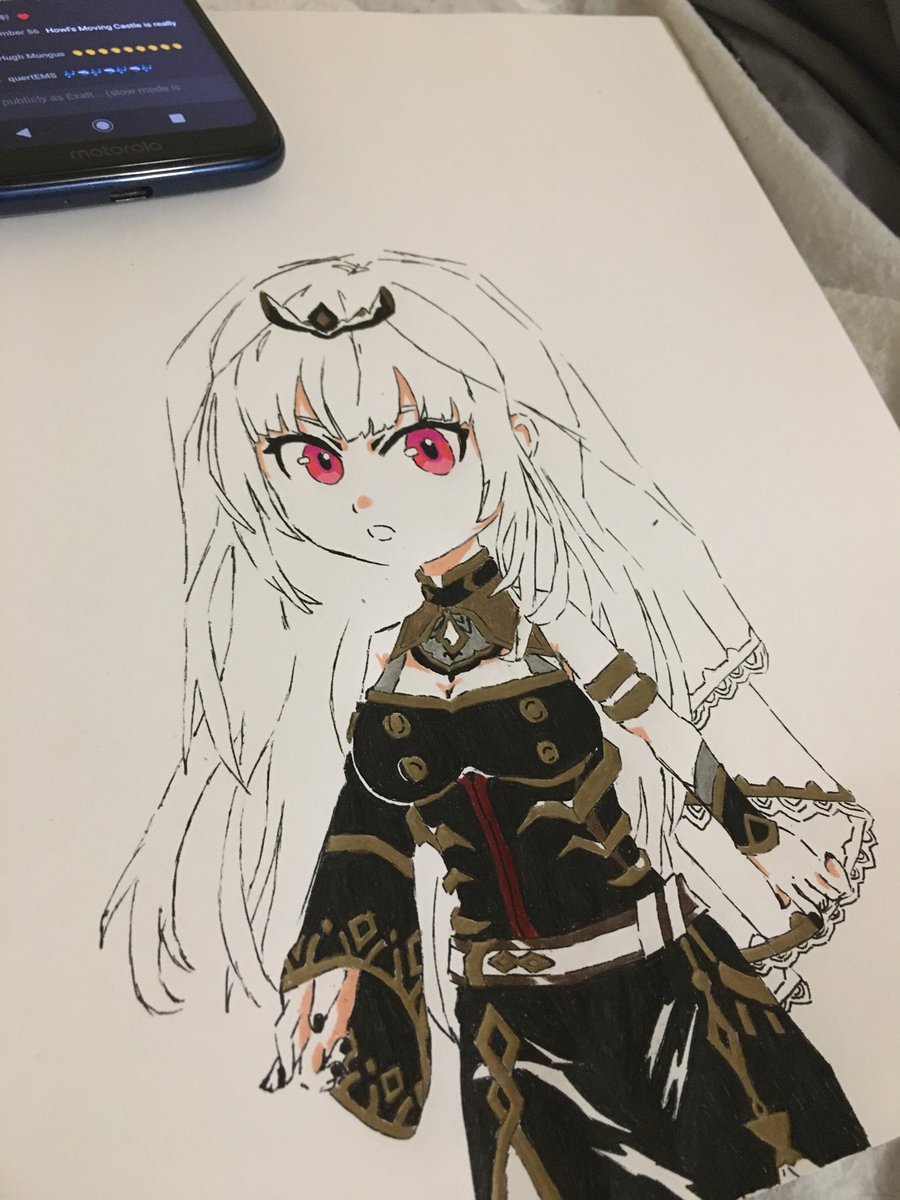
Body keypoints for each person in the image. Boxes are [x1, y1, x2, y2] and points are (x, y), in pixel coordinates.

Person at [102, 252, 873, 1199]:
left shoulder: (555, 628)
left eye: (425, 447)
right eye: (317, 462)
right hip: (510, 1029)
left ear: (510, 438)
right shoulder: (388, 673)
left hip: (669, 987)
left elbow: (659, 728)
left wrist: (762, 841)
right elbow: (371, 820)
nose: (367, 496)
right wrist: (337, 963)